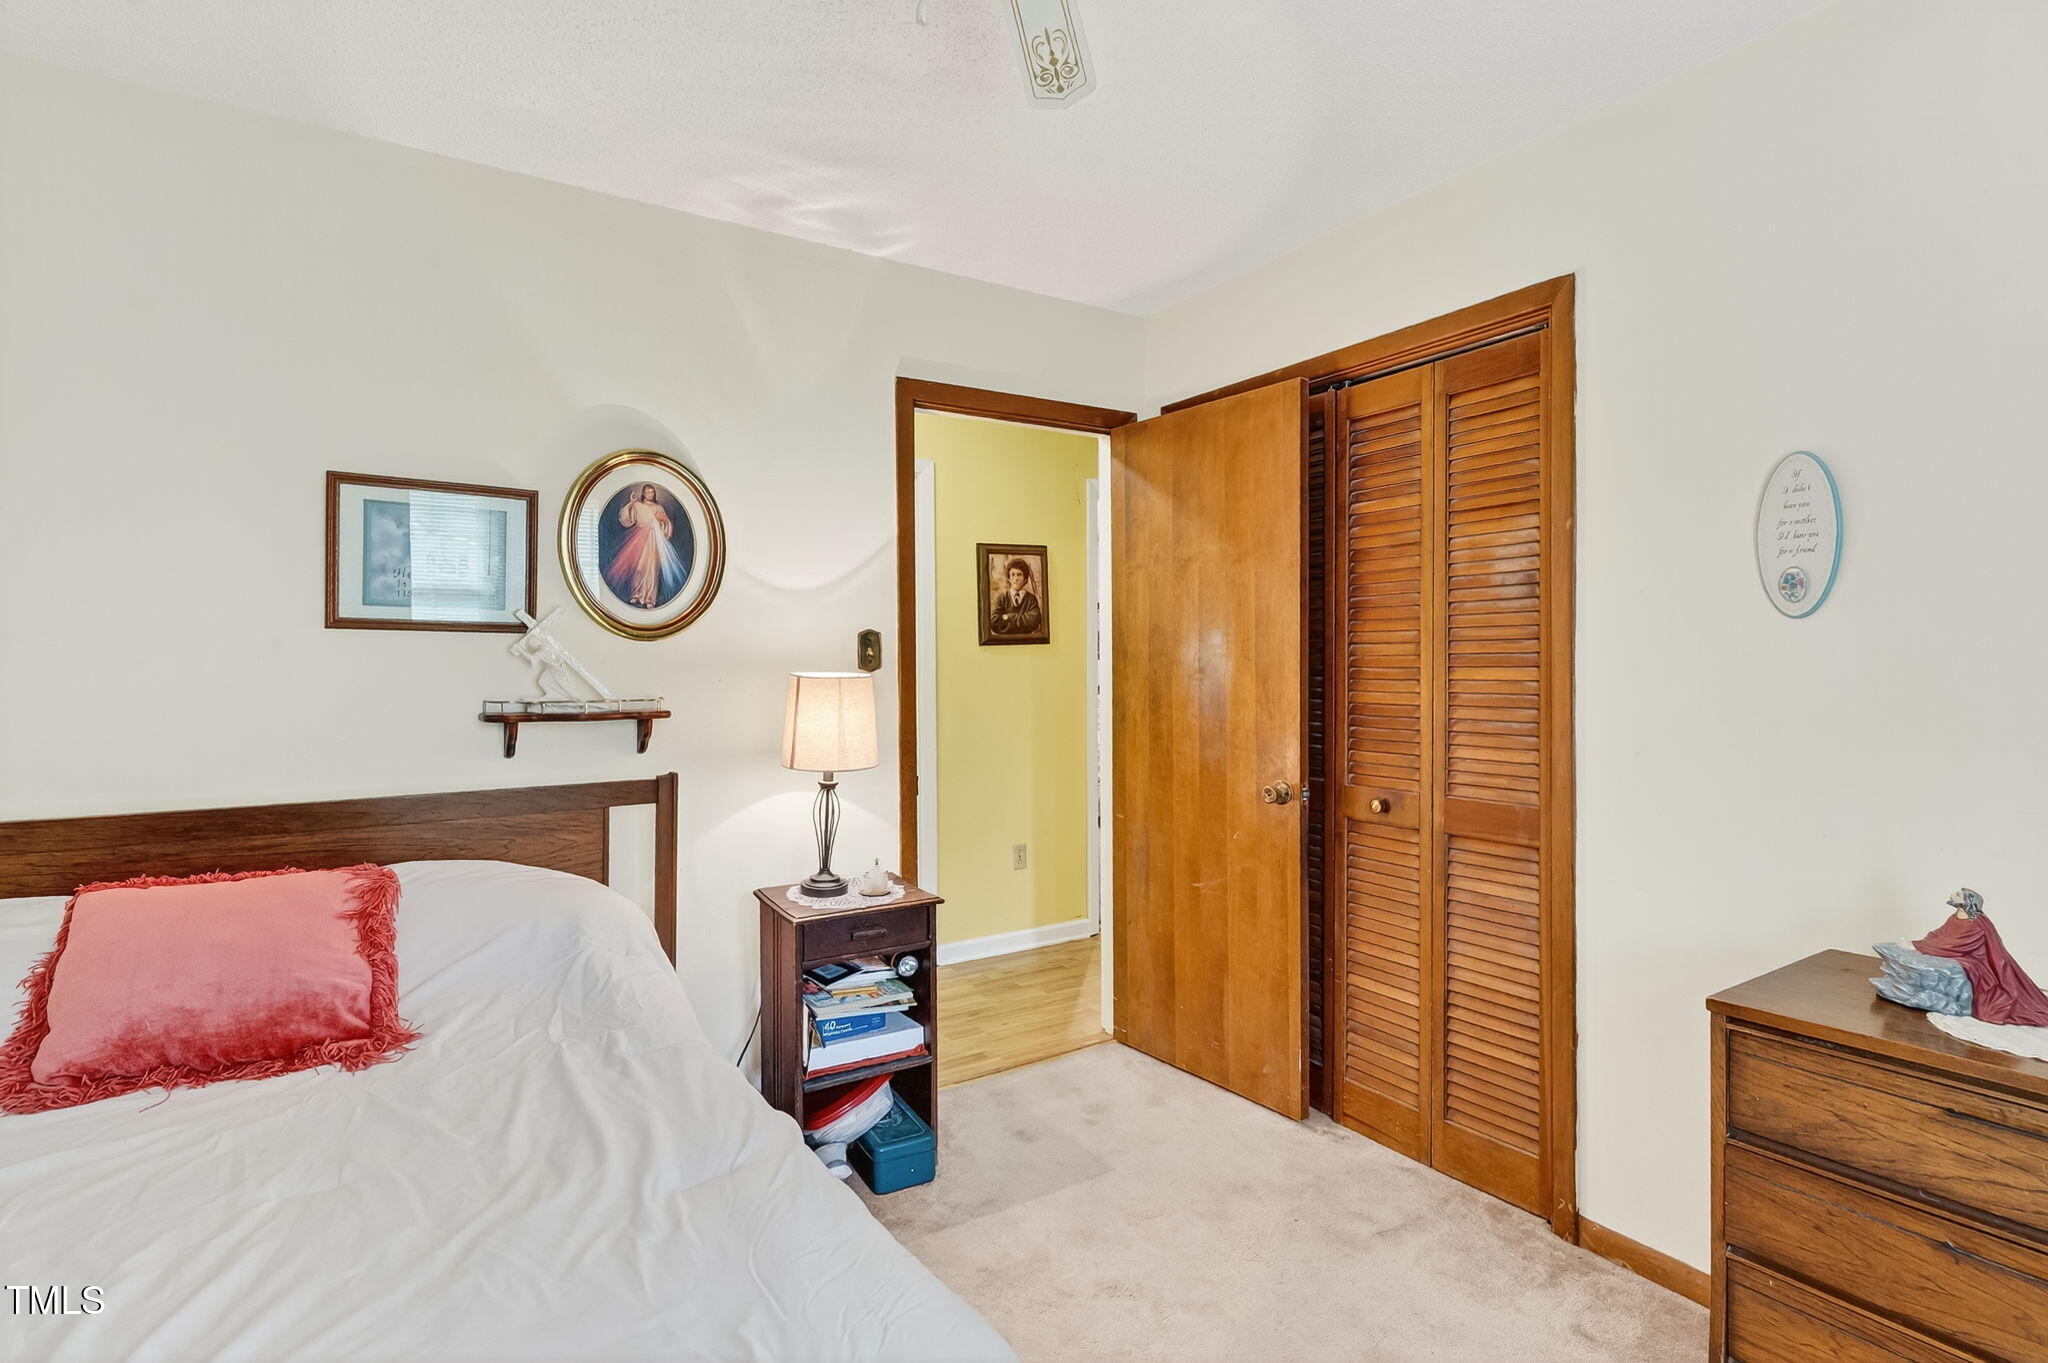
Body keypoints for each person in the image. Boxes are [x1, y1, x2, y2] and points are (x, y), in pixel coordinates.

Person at [606, 484, 689, 608]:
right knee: (639, 568)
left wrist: (663, 521)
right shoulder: (637, 505)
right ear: (643, 494)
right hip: (640, 539)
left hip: (654, 540)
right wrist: (631, 503)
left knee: (652, 569)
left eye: (652, 492)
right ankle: (636, 594)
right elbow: (626, 519)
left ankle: (650, 598)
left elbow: (666, 524)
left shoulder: (658, 507)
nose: (650, 494)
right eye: (647, 492)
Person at [988, 557, 1042, 636]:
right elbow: (994, 623)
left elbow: (1034, 622)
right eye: (1012, 575)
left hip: (1027, 641)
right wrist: (1022, 623)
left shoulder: (1031, 599)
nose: (1015, 578)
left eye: (1019, 575)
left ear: (1025, 579)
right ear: (1009, 578)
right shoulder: (1001, 597)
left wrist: (1008, 617)